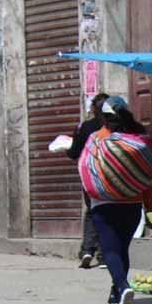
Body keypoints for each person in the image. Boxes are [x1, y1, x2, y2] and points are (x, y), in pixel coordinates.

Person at [82, 96, 152, 304]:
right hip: (132, 205)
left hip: (104, 205)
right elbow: (147, 178)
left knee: (110, 250)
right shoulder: (139, 140)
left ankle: (123, 287)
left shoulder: (96, 139)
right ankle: (116, 293)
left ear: (104, 118)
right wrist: (150, 209)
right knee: (121, 248)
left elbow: (86, 168)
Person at [65, 92, 110, 269]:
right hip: (112, 175)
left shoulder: (86, 127)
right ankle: (104, 255)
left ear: (93, 108)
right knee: (108, 213)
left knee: (92, 211)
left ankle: (86, 250)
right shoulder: (115, 126)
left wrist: (70, 142)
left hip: (90, 176)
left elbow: (74, 152)